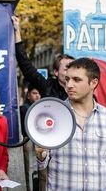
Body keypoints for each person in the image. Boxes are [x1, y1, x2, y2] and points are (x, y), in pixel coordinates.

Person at [35, 58, 106, 191]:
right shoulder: (52, 116)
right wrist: (40, 154)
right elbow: (42, 164)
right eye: (67, 79)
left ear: (93, 83)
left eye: (76, 80)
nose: (69, 85)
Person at [13, 15, 74, 191]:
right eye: (66, 67)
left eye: (73, 66)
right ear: (56, 71)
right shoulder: (47, 85)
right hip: (50, 154)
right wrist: (17, 32)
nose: (70, 71)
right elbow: (25, 65)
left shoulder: (82, 91)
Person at [20, 84, 41, 191]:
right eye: (34, 93)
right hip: (28, 139)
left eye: (38, 93)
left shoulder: (38, 107)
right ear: (28, 95)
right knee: (30, 167)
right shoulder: (25, 107)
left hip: (37, 139)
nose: (37, 96)